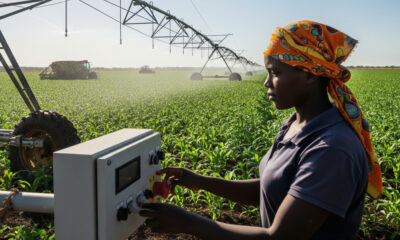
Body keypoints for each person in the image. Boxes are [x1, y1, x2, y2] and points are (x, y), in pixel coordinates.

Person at [139, 20, 383, 240]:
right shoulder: (293, 125)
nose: (267, 83)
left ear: (310, 75)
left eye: (276, 72)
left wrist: (188, 222)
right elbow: (271, 189)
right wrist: (200, 181)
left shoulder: (332, 149)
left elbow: (279, 238)